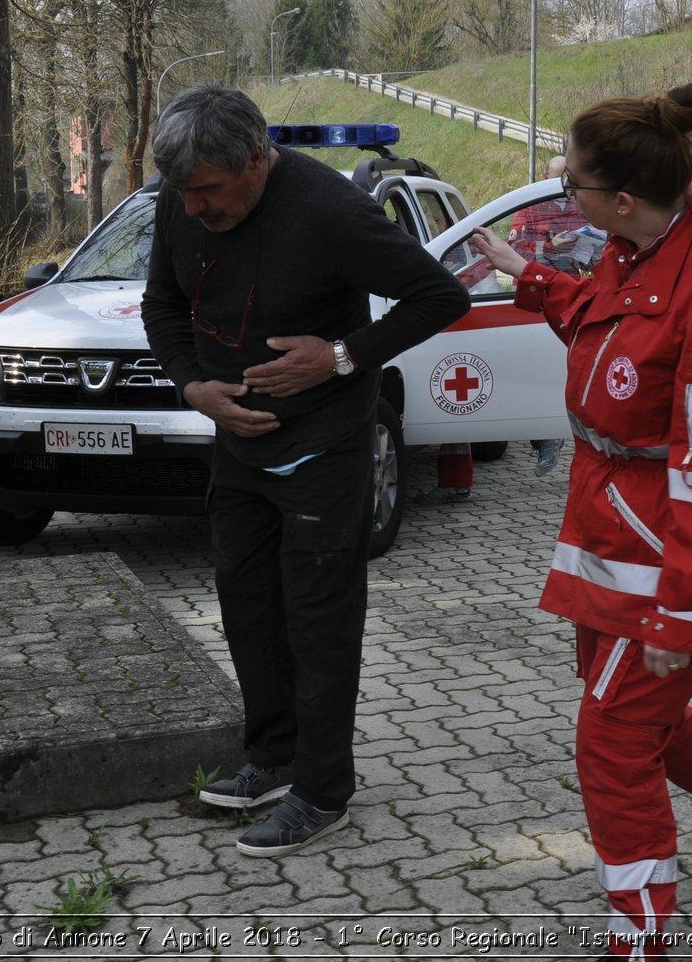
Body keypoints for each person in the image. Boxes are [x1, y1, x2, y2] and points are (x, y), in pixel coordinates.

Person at [469, 82, 692, 959]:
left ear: (621, 200)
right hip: (614, 534)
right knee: (636, 719)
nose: (563, 195)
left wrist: (681, 606)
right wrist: (531, 275)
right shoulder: (642, 248)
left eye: (571, 185)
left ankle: (642, 937)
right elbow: (607, 325)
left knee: (612, 737)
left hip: (673, 555)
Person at [140, 84, 469, 855]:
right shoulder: (177, 199)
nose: (194, 210)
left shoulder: (328, 208)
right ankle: (274, 755)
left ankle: (324, 790)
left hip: (324, 444)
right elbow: (160, 304)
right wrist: (193, 384)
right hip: (239, 446)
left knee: (319, 622)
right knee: (249, 608)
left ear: (255, 159)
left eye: (209, 192)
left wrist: (343, 355)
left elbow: (440, 296)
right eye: (184, 194)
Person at [510, 155, 589, 476]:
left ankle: (553, 433)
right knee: (529, 371)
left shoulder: (579, 207)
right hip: (531, 297)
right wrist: (548, 247)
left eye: (566, 180)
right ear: (544, 177)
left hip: (567, 293)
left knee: (563, 369)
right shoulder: (529, 206)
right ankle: (543, 435)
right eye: (556, 179)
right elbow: (515, 247)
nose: (561, 187)